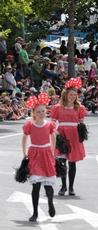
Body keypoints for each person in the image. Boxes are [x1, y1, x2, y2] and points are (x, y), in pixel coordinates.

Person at [21, 93, 56, 222]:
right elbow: (24, 138)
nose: (42, 113)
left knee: (48, 185)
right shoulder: (29, 125)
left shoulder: (49, 125)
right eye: (38, 111)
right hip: (34, 153)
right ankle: (35, 212)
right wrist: (24, 153)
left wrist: (53, 153)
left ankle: (50, 203)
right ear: (33, 113)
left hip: (46, 154)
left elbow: (53, 138)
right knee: (36, 185)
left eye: (43, 111)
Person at [50, 78, 86, 196]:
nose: (73, 97)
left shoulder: (80, 107)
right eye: (71, 94)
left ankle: (71, 187)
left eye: (75, 95)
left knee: (72, 163)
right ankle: (63, 186)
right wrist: (56, 134)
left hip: (74, 136)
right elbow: (52, 123)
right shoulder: (57, 107)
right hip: (62, 135)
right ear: (66, 95)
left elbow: (82, 123)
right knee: (61, 162)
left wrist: (82, 133)